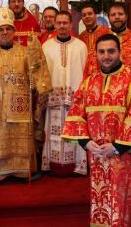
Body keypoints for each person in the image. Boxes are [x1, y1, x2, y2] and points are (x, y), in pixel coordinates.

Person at [62, 33, 131, 226]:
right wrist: (86, 142)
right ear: (96, 55)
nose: (106, 56)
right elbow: (76, 114)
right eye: (101, 52)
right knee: (102, 202)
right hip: (97, 155)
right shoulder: (88, 82)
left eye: (111, 51)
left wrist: (116, 147)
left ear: (120, 52)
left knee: (124, 203)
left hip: (126, 157)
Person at [0, 7, 52, 181]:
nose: (4, 32)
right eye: (1, 29)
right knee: (0, 138)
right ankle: (0, 173)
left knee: (22, 138)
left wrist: (41, 87)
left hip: (20, 105)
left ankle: (22, 171)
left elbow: (37, 72)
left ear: (13, 31)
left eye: (8, 29)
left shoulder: (25, 52)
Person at [41, 11, 88, 175]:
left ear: (71, 25)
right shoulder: (46, 46)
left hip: (75, 100)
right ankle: (51, 165)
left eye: (65, 23)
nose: (62, 26)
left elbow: (85, 71)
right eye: (58, 23)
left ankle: (77, 166)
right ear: (54, 24)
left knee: (74, 132)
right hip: (53, 100)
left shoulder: (81, 46)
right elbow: (43, 73)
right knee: (53, 133)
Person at [84, 1, 131, 96]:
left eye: (120, 14)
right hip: (105, 94)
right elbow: (91, 70)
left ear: (126, 16)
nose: (117, 17)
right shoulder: (100, 42)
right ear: (109, 17)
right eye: (113, 14)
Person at [78, 3, 109, 76]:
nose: (87, 16)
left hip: (104, 74)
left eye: (90, 13)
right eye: (84, 15)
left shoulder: (107, 32)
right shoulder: (80, 37)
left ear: (95, 15)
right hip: (86, 76)